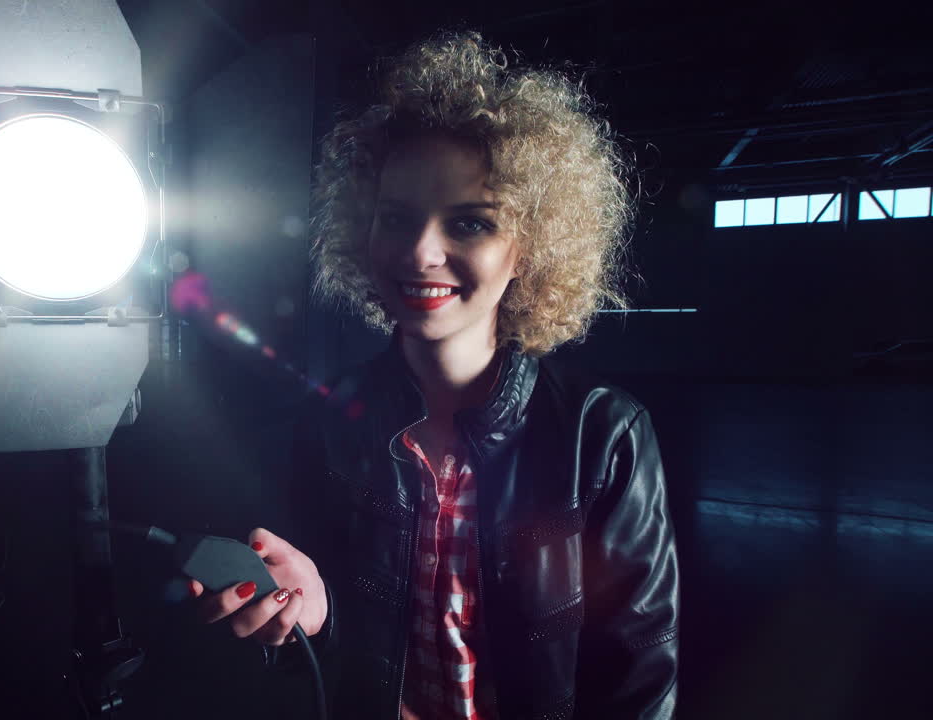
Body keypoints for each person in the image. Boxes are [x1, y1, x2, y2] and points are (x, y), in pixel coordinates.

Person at [188, 30, 679, 720]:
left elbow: (637, 683)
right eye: (397, 217)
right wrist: (308, 616)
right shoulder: (327, 420)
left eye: (471, 223)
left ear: (530, 248)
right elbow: (319, 665)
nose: (422, 252)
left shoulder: (602, 435)